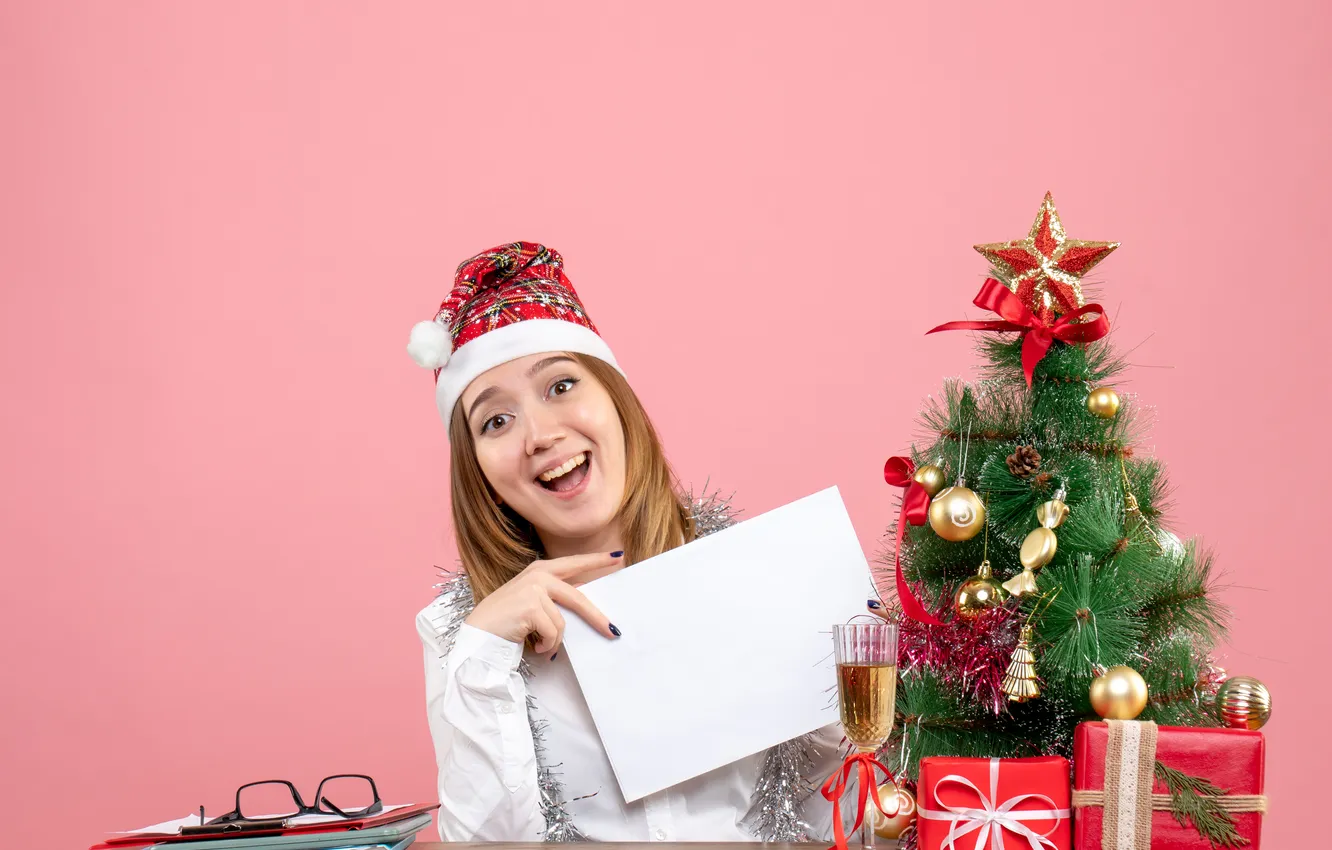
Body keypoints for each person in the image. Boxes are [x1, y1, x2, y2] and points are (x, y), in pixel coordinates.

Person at [408, 243, 845, 843]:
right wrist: (484, 652)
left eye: (561, 385)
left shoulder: (757, 576)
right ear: (477, 469)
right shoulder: (460, 634)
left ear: (617, 400)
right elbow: (487, 845)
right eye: (496, 421)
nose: (540, 435)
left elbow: (837, 814)